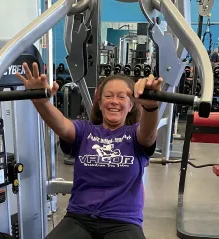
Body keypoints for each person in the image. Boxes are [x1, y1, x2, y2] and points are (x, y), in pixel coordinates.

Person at [16, 63, 161, 239]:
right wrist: (41, 103)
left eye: (122, 97)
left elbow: (147, 134)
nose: (114, 101)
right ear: (100, 103)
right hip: (80, 218)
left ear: (131, 105)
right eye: (108, 96)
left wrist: (151, 106)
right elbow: (61, 125)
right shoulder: (85, 131)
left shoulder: (134, 135)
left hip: (122, 222)